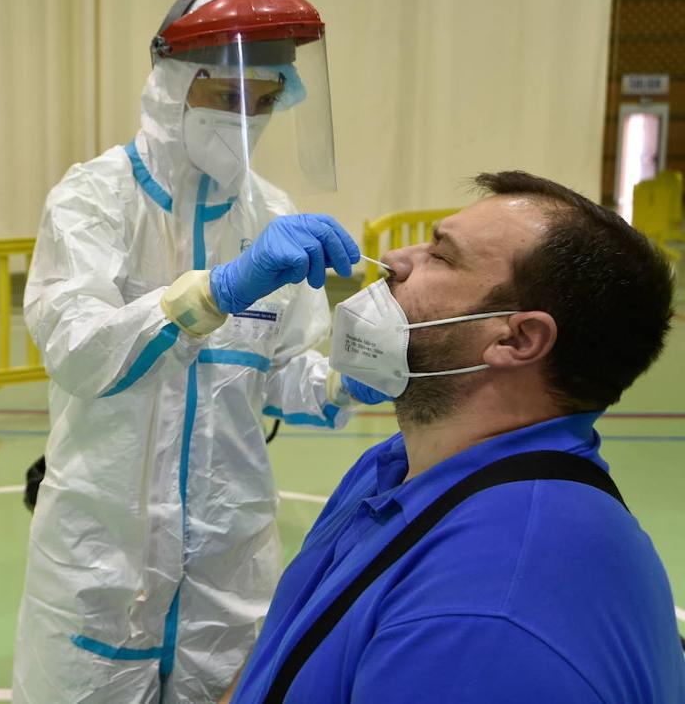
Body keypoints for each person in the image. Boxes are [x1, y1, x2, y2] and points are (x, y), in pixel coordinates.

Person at [13, 0, 382, 703]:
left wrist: (346, 377)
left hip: (228, 563)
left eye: (266, 101)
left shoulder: (270, 212)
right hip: (103, 561)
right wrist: (214, 290)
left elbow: (277, 370)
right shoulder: (95, 199)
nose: (247, 119)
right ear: (171, 84)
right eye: (228, 97)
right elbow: (80, 353)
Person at [225, 171, 685, 703]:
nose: (396, 258)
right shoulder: (400, 466)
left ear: (517, 338)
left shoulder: (491, 610)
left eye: (440, 257)